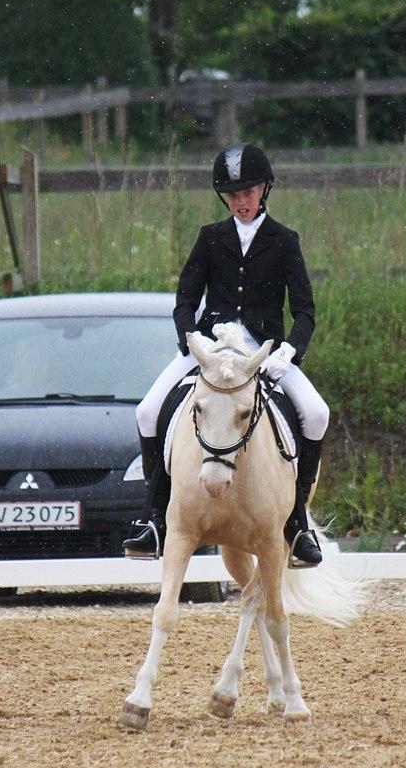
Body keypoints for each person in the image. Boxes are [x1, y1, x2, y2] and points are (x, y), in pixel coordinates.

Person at [123, 142, 329, 567]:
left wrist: (289, 349)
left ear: (264, 190)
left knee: (317, 412)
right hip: (210, 348)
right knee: (147, 411)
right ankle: (153, 518)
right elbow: (184, 300)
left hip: (261, 351)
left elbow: (305, 310)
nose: (241, 202)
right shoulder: (210, 237)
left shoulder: (284, 241)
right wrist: (191, 340)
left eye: (248, 193)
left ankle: (298, 524)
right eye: (233, 196)